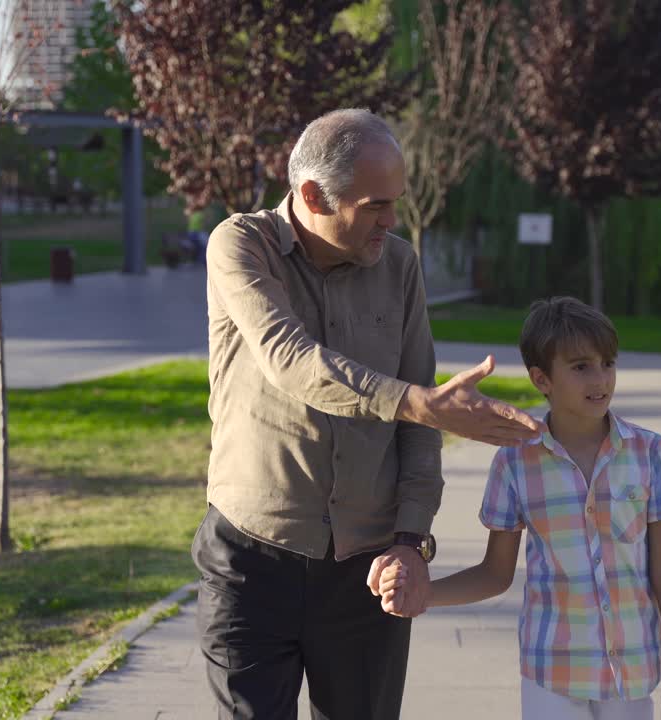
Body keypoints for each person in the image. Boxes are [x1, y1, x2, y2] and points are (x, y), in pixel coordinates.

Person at [194, 108, 542, 720]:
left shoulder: (400, 265)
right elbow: (291, 360)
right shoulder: (240, 245)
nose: (392, 219)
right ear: (311, 195)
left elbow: (419, 425)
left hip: (369, 572)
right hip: (249, 563)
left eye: (395, 201)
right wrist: (421, 405)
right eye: (375, 205)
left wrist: (411, 542)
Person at [375, 296, 661, 720]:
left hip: (633, 673)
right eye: (581, 366)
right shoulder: (515, 461)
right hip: (551, 674)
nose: (600, 378)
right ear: (541, 379)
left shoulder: (651, 453)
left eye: (608, 363)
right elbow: (495, 573)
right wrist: (426, 595)